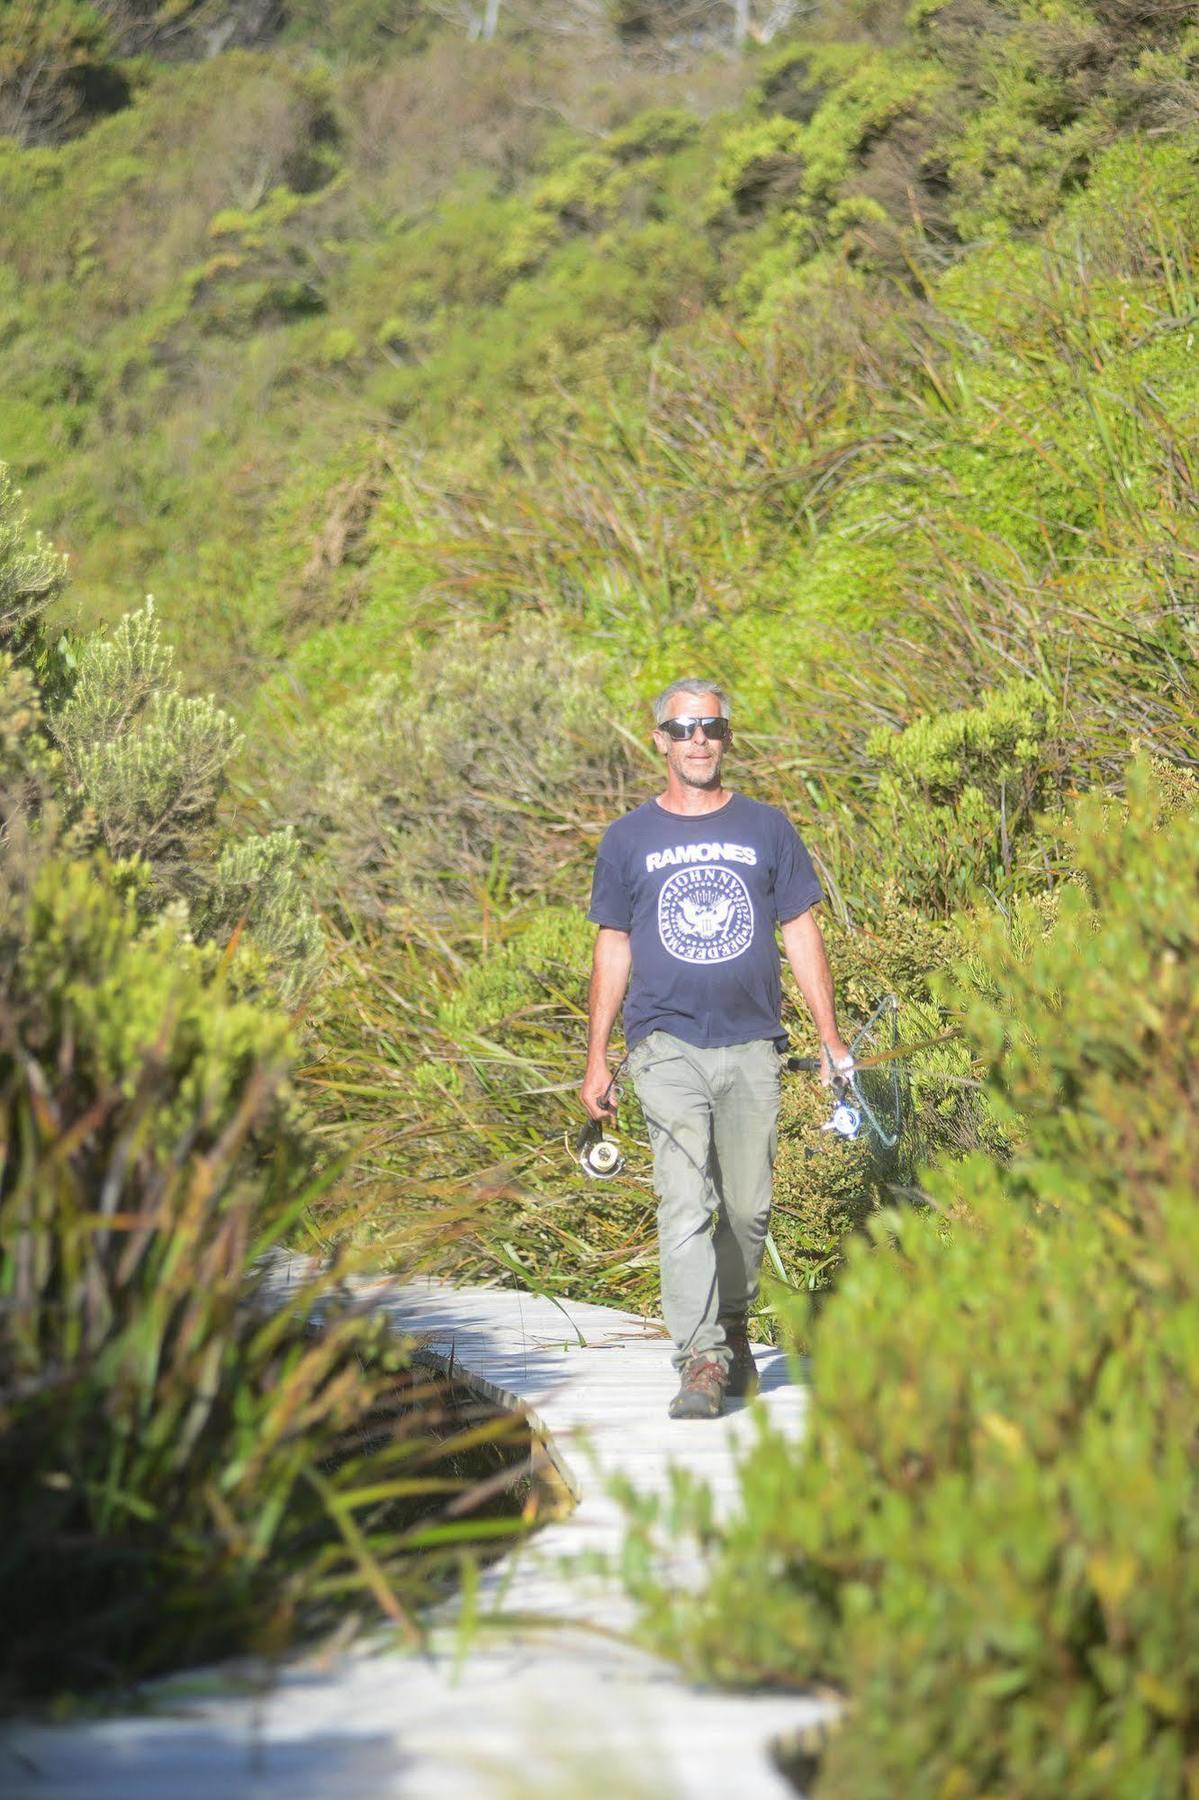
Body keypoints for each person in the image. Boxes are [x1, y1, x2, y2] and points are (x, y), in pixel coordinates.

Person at [581, 678, 852, 1420]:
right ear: (659, 740)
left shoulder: (767, 828)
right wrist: (597, 1056)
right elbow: (613, 946)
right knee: (683, 1200)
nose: (699, 740)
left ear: (727, 738)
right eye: (685, 727)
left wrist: (830, 1042)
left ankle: (730, 1322)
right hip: (663, 1042)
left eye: (713, 727)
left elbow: (800, 932)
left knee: (747, 1210)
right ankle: (699, 1358)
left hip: (753, 1043)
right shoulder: (627, 839)